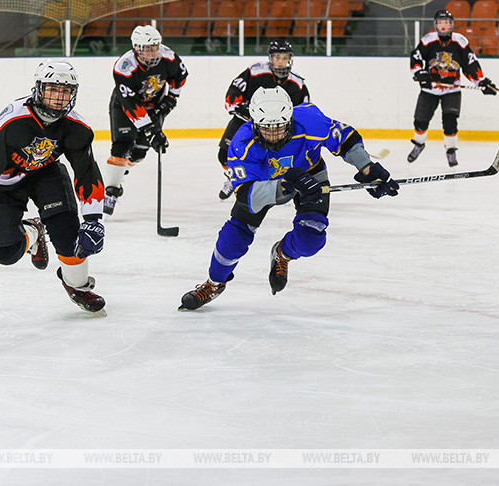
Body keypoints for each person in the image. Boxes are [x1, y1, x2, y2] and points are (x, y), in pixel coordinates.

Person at [179, 87, 400, 311]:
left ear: (290, 119)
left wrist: (366, 168)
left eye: (279, 127)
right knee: (233, 238)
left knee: (311, 240)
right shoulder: (241, 144)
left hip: (311, 175)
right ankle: (214, 283)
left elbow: (345, 138)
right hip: (263, 183)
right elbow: (246, 193)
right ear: (254, 123)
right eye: (266, 128)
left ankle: (282, 254)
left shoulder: (310, 120)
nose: (274, 134)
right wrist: (285, 184)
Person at [0, 59, 107, 314]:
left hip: (46, 175)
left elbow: (87, 172)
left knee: (71, 239)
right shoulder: (13, 119)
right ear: (38, 89)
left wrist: (93, 218)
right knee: (5, 253)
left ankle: (78, 287)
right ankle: (34, 231)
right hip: (5, 184)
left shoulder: (77, 127)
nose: (59, 97)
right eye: (52, 89)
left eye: (65, 91)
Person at [103, 24, 188, 216]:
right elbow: (130, 104)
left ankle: (120, 171)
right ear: (137, 48)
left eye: (155, 47)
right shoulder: (124, 67)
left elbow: (180, 76)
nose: (153, 52)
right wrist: (151, 130)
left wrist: (170, 99)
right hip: (125, 107)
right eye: (148, 49)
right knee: (122, 146)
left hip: (154, 107)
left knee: (140, 153)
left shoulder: (168, 56)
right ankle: (111, 191)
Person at [216, 39, 310, 200]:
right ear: (270, 58)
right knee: (224, 154)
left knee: (280, 156)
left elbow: (305, 112)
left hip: (278, 128)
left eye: (285, 58)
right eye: (277, 58)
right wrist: (239, 107)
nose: (281, 62)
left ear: (290, 59)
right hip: (247, 122)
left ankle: (279, 183)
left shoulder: (298, 84)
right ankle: (234, 179)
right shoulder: (255, 72)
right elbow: (233, 93)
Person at [408, 9, 497, 167]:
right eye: (440, 23)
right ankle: (419, 145)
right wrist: (420, 73)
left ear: (452, 25)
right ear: (436, 25)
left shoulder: (460, 41)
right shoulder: (428, 40)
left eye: (447, 22)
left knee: (450, 121)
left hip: (452, 90)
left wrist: (481, 82)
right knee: (420, 122)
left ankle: (450, 151)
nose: (443, 26)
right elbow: (416, 57)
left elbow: (470, 64)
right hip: (430, 89)